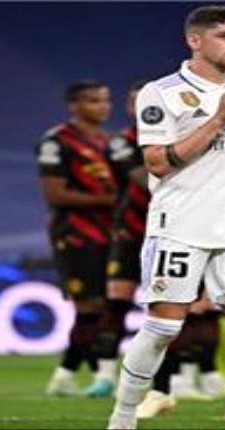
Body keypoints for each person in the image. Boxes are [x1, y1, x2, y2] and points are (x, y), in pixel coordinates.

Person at [106, 5, 225, 430]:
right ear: (195, 40)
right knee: (162, 327)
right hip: (182, 224)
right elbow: (158, 163)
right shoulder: (162, 92)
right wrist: (218, 120)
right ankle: (123, 416)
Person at [36, 80, 117, 397]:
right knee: (90, 306)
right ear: (74, 105)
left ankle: (68, 375)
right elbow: (54, 194)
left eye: (105, 100)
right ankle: (96, 375)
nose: (103, 106)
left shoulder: (110, 141)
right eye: (93, 101)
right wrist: (110, 201)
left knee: (102, 306)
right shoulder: (56, 141)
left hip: (111, 233)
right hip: (75, 234)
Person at [84, 80, 147, 397]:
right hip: (131, 232)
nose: (141, 108)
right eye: (136, 102)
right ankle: (105, 374)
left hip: (173, 233)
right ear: (129, 108)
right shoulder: (122, 142)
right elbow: (145, 179)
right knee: (117, 303)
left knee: (182, 307)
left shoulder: (181, 137)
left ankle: (185, 378)